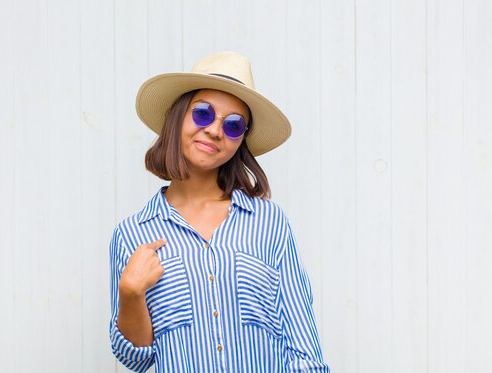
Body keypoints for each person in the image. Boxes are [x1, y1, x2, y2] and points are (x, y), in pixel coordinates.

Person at [109, 51, 329, 372]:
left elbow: (303, 346)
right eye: (202, 114)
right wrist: (130, 292)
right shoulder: (132, 235)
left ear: (241, 141)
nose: (214, 130)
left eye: (234, 125)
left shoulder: (269, 223)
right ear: (177, 116)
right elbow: (137, 360)